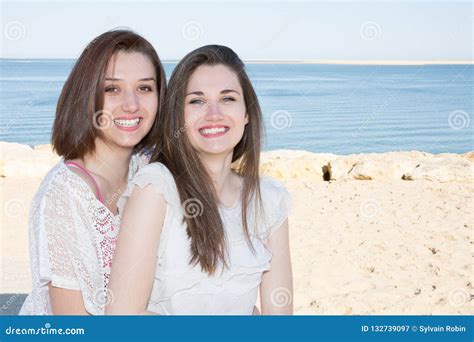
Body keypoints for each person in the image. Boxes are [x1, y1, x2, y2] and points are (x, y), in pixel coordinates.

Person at [107, 45, 292, 315]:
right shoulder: (156, 189)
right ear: (178, 116)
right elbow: (121, 318)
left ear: (247, 112)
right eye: (197, 101)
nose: (213, 113)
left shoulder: (269, 199)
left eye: (228, 98)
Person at [20, 29, 166, 315]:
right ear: (87, 96)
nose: (131, 105)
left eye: (145, 88)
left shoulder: (149, 169)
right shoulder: (64, 195)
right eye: (112, 89)